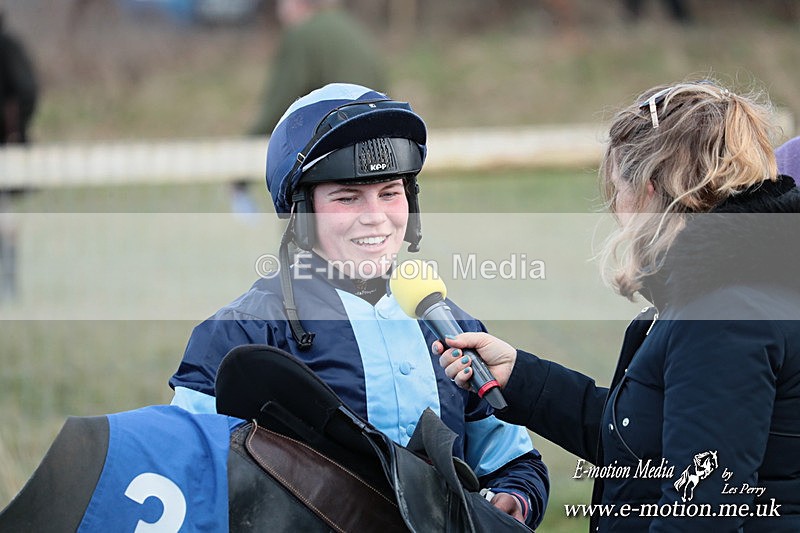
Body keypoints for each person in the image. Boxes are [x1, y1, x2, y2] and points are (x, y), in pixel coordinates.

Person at [170, 83, 549, 526]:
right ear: (300, 212)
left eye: (390, 192)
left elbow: (517, 465)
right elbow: (187, 484)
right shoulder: (239, 334)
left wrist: (514, 500)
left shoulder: (450, 325)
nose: (375, 215)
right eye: (347, 198)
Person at [437, 80, 800, 531]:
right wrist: (522, 376)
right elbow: (643, 443)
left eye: (617, 190)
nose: (616, 211)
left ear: (649, 189)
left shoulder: (723, 317)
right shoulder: (735, 287)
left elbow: (700, 517)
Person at [249, 0, 386, 136]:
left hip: (340, 137)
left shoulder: (302, 35)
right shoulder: (353, 27)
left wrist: (248, 142)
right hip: (378, 130)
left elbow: (278, 109)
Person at [0, 10, 37, 303]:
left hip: (5, 152)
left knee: (5, 220)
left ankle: (8, 286)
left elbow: (26, 92)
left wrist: (14, 131)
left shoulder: (7, 48)